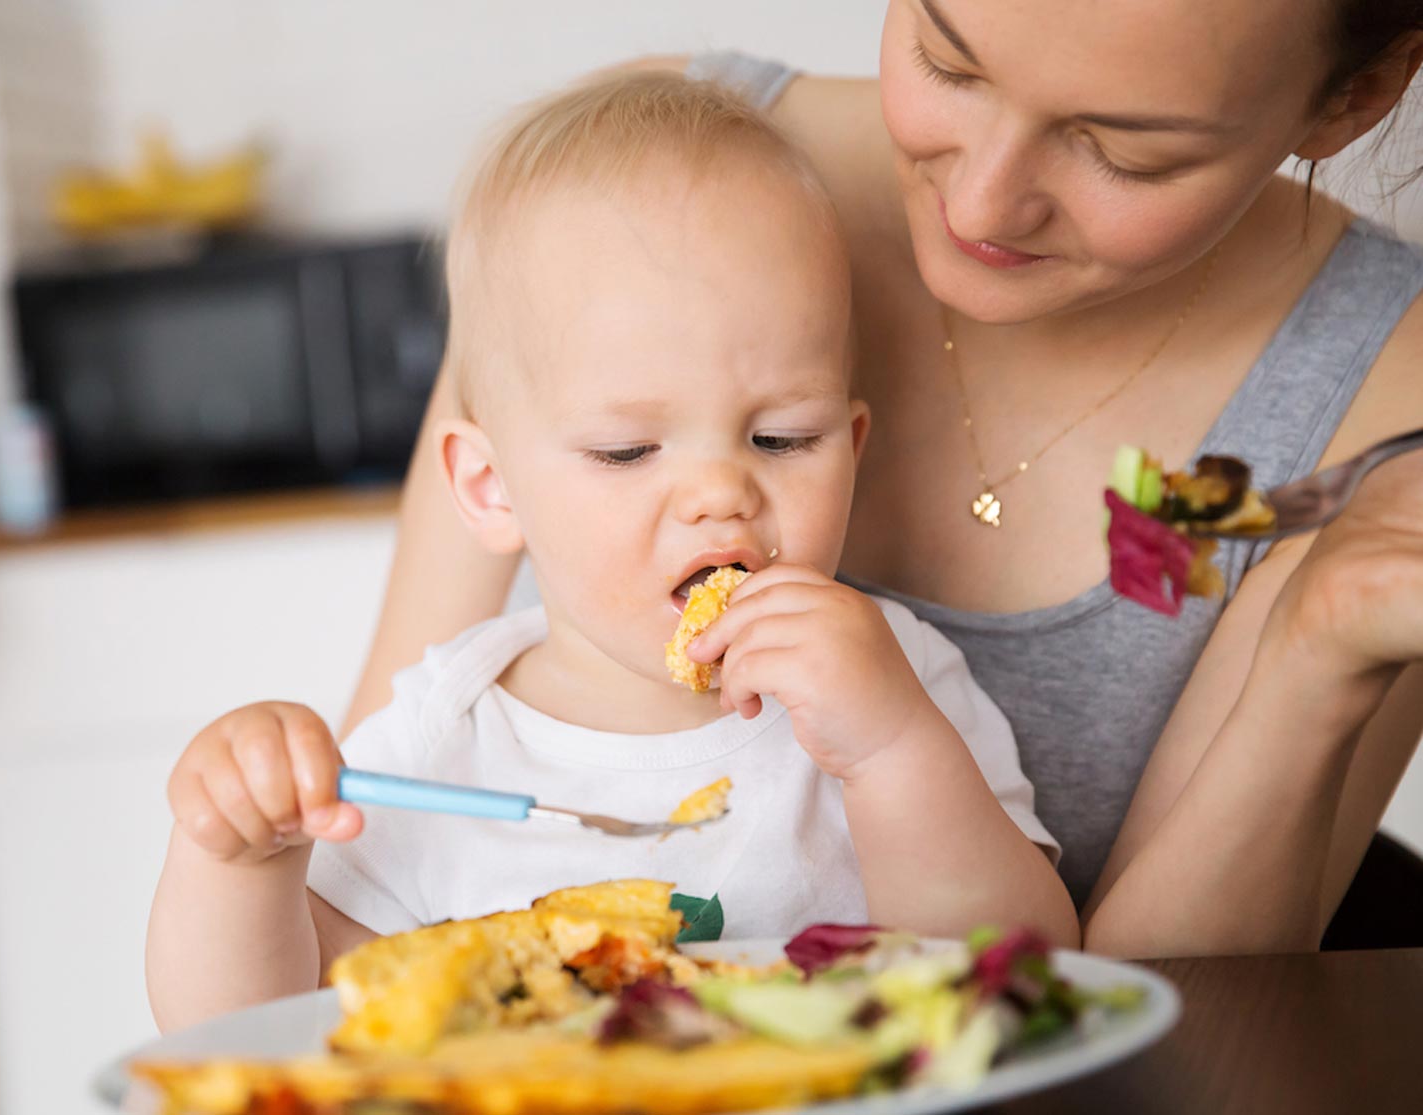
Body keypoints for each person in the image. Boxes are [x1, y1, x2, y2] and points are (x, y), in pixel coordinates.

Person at [344, 0, 1423, 960]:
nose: (985, 203)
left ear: (1355, 98)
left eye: (1126, 151)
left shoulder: (1391, 382)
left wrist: (1316, 654)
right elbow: (351, 856)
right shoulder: (622, 180)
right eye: (950, 61)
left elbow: (1132, 1016)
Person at [145, 72, 1078, 1031]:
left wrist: (891, 751)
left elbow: (1033, 977)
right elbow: (258, 1028)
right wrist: (239, 864)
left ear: (854, 448)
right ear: (490, 487)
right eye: (628, 451)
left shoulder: (895, 679)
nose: (722, 492)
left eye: (782, 438)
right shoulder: (446, 739)